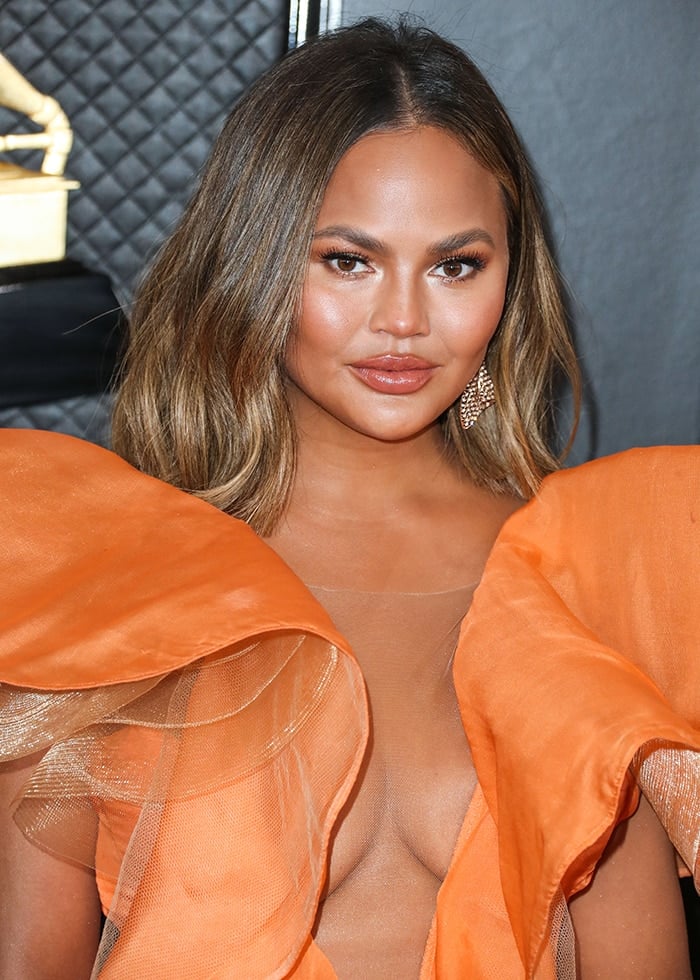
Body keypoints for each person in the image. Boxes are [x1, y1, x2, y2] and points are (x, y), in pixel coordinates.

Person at [0, 16, 698, 979]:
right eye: (348, 260)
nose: (405, 321)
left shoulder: (589, 576)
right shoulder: (111, 573)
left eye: (456, 265)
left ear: (508, 280)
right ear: (255, 263)